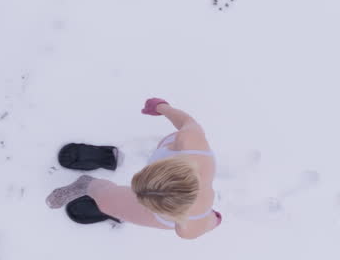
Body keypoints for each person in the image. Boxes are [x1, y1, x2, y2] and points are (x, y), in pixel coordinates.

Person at [46, 98, 222, 239]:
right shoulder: (191, 143)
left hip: (165, 215)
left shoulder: (191, 222)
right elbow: (186, 121)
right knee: (120, 200)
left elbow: (209, 223)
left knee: (107, 202)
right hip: (170, 148)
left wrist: (214, 220)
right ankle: (108, 161)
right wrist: (162, 107)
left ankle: (87, 185)